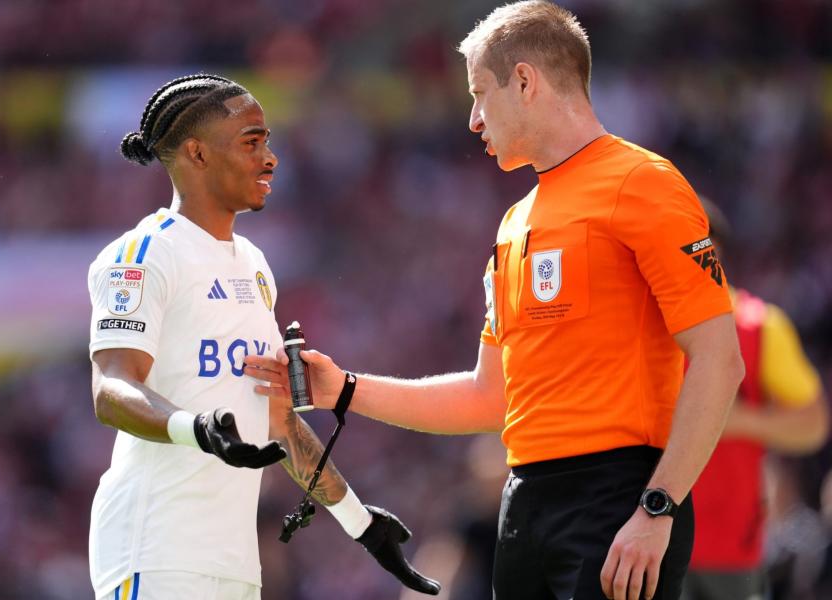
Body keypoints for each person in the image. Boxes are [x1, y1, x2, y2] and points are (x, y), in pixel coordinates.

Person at [246, 2, 746, 599]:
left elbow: (720, 358)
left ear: (526, 81)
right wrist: (344, 389)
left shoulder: (644, 183)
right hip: (524, 504)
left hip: (619, 500)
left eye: (480, 94)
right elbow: (492, 397)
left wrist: (657, 509)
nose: (474, 120)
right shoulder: (515, 223)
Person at [86, 74, 440, 600]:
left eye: (268, 141)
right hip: (153, 550)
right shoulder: (143, 254)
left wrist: (358, 521)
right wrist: (197, 428)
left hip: (235, 565)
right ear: (197, 154)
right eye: (252, 142)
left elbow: (275, 416)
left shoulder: (253, 266)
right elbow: (110, 389)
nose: (271, 158)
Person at [682, 200, 828, 600]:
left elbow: (813, 425)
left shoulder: (760, 326)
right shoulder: (641, 325)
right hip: (650, 544)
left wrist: (734, 420)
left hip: (734, 550)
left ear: (716, 249)